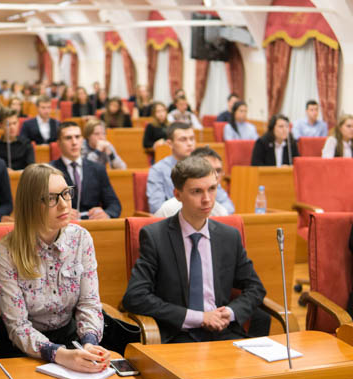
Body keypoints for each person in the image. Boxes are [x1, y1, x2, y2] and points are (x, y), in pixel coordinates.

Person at [122, 156, 267, 343]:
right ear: (177, 194)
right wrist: (199, 317)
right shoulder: (155, 237)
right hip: (178, 334)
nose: (207, 199)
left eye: (212, 189)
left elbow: (255, 288)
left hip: (223, 331)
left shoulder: (229, 236)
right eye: (197, 191)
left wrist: (230, 313)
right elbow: (135, 297)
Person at [0, 163, 111, 372]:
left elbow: (89, 303)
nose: (64, 205)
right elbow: (18, 326)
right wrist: (60, 355)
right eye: (51, 198)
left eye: (66, 193)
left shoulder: (81, 238)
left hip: (70, 338)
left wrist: (90, 343)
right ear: (30, 205)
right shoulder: (6, 251)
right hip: (21, 349)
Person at [50, 121, 121, 219]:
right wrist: (58, 213)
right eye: (68, 138)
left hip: (92, 223)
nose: (74, 142)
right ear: (59, 143)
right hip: (63, 224)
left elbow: (114, 204)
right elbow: (40, 207)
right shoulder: (50, 171)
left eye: (77, 137)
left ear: (82, 140)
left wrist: (106, 214)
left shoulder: (98, 169)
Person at [147, 122, 195, 214]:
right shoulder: (158, 170)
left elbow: (223, 200)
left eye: (192, 139)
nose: (190, 143)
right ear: (170, 144)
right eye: (183, 139)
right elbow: (156, 208)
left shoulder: (204, 167)